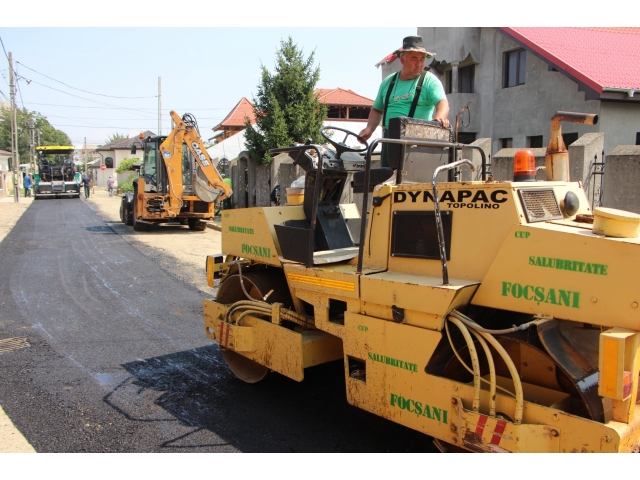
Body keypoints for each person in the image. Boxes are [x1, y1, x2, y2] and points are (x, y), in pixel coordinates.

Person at [359, 35, 450, 167]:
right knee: (384, 176)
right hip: (389, 142)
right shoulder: (388, 82)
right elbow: (377, 110)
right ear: (402, 60)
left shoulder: (430, 81)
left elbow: (443, 103)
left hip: (416, 144)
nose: (419, 63)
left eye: (422, 59)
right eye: (414, 58)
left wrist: (439, 118)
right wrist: (369, 128)